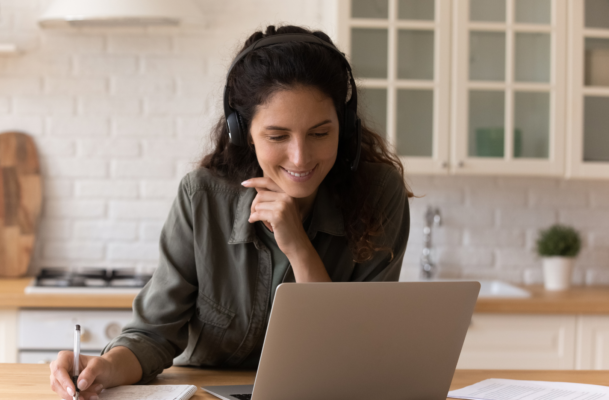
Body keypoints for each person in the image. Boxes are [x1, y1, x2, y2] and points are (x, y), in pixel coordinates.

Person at [49, 25, 412, 400]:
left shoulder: (378, 194)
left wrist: (298, 247)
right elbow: (153, 334)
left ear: (345, 126)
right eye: (277, 136)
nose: (300, 157)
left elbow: (352, 355)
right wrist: (105, 369)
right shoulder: (202, 196)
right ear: (243, 132)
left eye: (320, 133)